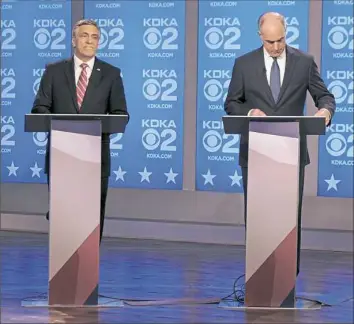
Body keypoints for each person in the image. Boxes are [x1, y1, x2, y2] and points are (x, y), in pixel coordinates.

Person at [224, 12, 335, 275]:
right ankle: (258, 275)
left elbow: (325, 96)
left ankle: (287, 278)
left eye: (281, 40)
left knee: (288, 220)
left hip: (291, 152)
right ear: (260, 36)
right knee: (259, 218)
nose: (276, 47)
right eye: (270, 41)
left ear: (286, 33)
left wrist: (325, 112)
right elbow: (231, 103)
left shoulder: (304, 62)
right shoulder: (243, 64)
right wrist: (250, 113)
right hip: (255, 152)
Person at [31, 19, 129, 242]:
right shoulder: (54, 71)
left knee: (92, 222)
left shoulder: (112, 74)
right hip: (61, 157)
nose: (90, 41)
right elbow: (40, 108)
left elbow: (120, 113)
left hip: (95, 159)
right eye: (84, 35)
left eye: (95, 37)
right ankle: (63, 275)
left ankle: (87, 273)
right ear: (73, 40)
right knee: (64, 223)